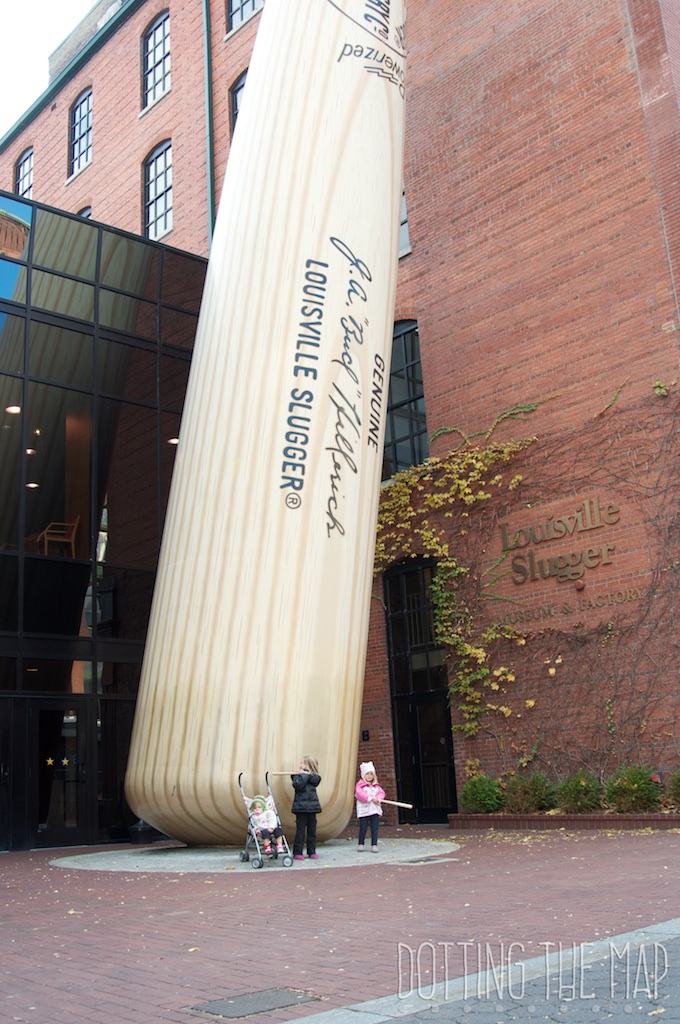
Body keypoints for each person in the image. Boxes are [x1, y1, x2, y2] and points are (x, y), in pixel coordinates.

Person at [291, 756, 322, 860]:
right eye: (301, 763)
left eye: (303, 763)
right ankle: (297, 852)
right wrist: (303, 775)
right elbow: (298, 785)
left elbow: (316, 780)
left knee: (312, 831)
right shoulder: (297, 776)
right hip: (301, 807)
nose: (301, 765)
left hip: (312, 807)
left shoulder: (314, 777)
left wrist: (307, 774)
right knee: (300, 831)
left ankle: (311, 851)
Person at [355, 761, 386, 852]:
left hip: (374, 810)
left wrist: (378, 798)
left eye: (371, 774)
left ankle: (374, 844)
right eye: (367, 774)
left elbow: (381, 793)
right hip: (364, 811)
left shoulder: (376, 786)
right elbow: (360, 795)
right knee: (363, 827)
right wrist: (370, 798)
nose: (369, 776)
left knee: (374, 828)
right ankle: (361, 843)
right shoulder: (360, 786)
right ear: (363, 775)